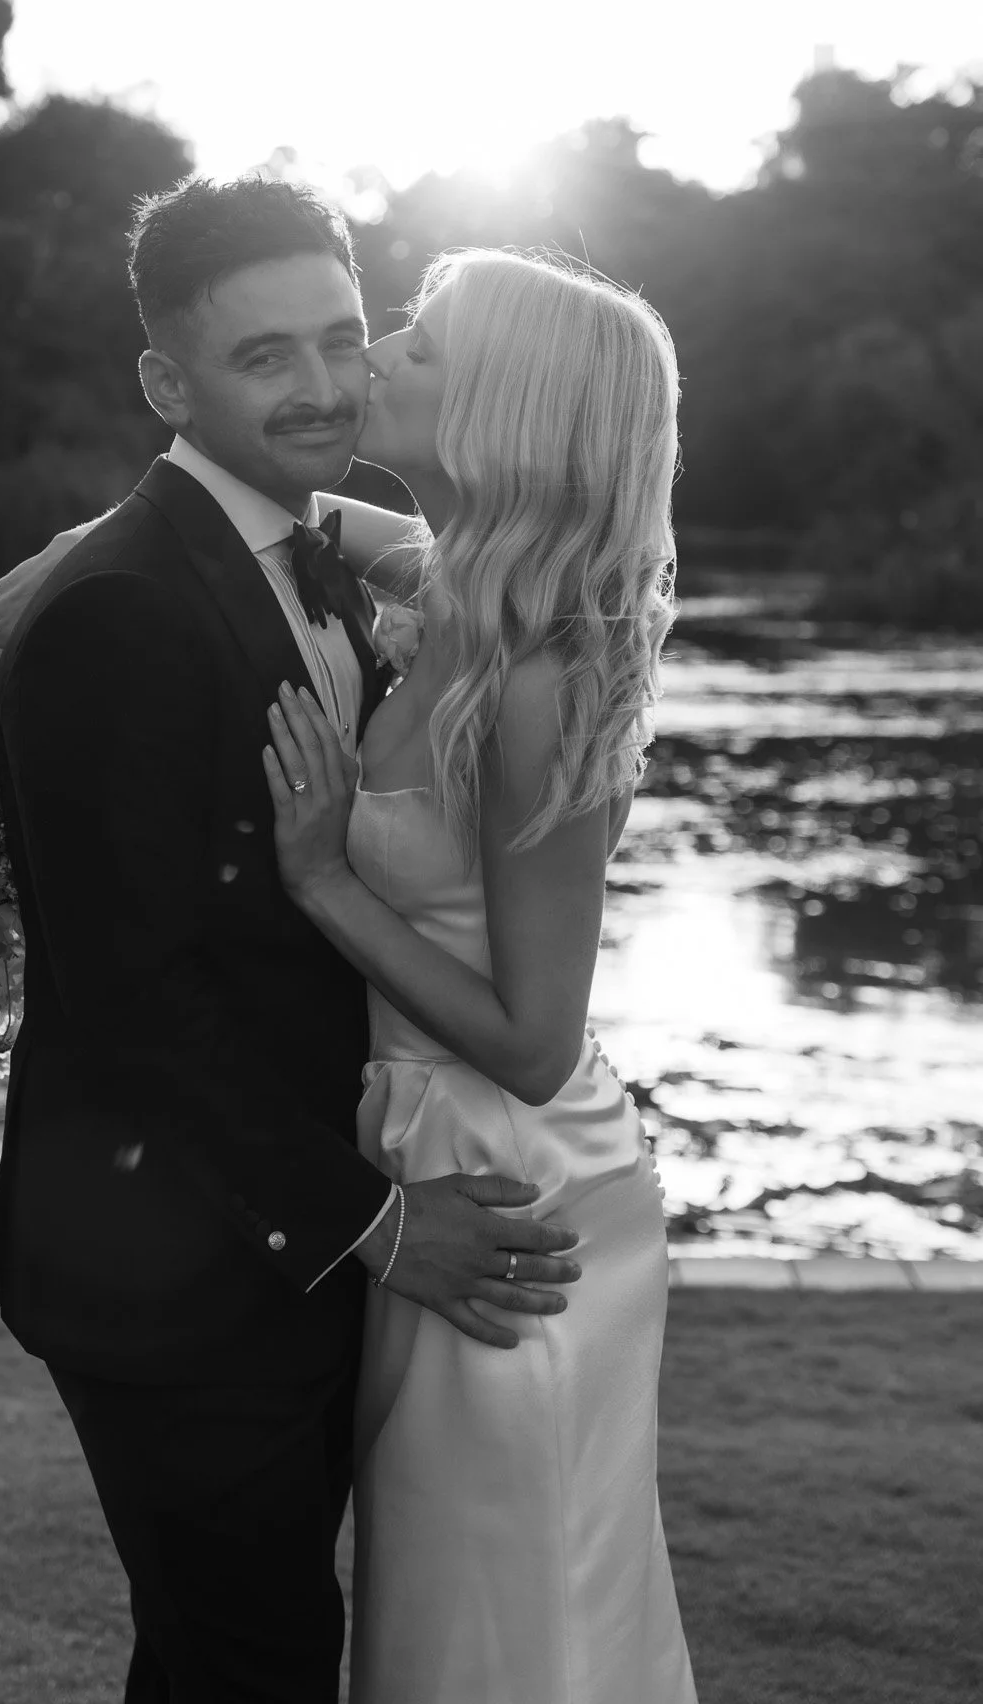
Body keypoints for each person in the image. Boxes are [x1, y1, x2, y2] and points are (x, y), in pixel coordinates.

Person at [0, 177, 581, 1704]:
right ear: (166, 383)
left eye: (340, 338)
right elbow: (131, 1005)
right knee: (255, 1667)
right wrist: (379, 1227)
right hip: (176, 1265)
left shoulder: (340, 562)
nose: (321, 386)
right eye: (263, 357)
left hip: (290, 1247)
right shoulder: (120, 607)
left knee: (242, 1660)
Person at [261, 248, 698, 1702]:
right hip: (428, 1151)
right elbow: (309, 511)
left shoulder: (540, 682)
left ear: (506, 412)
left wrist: (322, 878)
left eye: (422, 344)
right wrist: (81, 550)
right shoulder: (450, 595)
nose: (377, 349)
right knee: (433, 1608)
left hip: (518, 1185)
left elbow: (534, 1036)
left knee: (516, 1623)